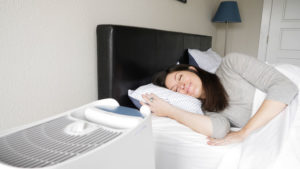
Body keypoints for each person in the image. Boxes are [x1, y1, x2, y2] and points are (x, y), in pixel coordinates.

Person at [141, 53, 298, 146]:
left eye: (180, 77)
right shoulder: (208, 110)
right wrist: (170, 111)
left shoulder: (230, 64)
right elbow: (219, 130)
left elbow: (284, 87)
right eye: (176, 89)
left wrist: (244, 132)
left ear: (192, 69)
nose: (182, 86)